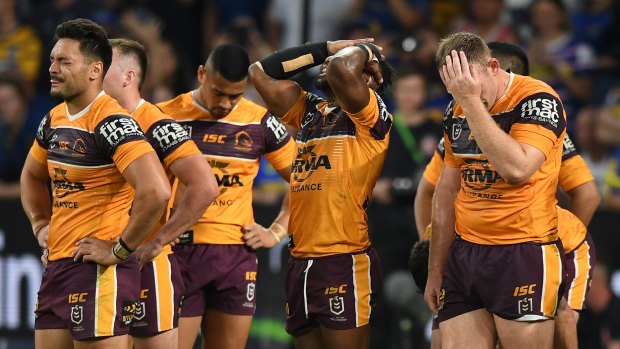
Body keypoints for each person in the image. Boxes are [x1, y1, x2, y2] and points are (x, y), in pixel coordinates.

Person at [20, 18, 171, 348]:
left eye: (64, 62)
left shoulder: (111, 122)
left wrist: (119, 249)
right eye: (52, 60)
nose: (53, 69)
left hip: (99, 274)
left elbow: (157, 191)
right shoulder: (54, 118)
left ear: (94, 70)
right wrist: (41, 225)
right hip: (58, 267)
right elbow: (31, 176)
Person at [249, 38, 396, 348]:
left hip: (342, 259)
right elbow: (260, 72)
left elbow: (344, 67)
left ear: (368, 79)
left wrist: (366, 50)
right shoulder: (310, 112)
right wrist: (325, 48)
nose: (331, 62)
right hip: (300, 261)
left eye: (342, 59)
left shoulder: (369, 115)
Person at [425, 32, 567, 348]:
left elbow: (517, 169)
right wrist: (435, 270)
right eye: (454, 89)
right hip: (465, 254)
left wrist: (471, 102)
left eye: (470, 86)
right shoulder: (457, 107)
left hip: (523, 252)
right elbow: (446, 191)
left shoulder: (538, 99)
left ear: (492, 66)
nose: (462, 96)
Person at [157, 43, 295, 349]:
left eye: (235, 95)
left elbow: (306, 179)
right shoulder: (164, 117)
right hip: (179, 254)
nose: (226, 103)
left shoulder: (259, 122)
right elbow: (138, 184)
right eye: (218, 92)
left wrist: (277, 231)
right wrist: (160, 228)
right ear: (201, 74)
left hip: (236, 256)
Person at [100, 38, 219, 349]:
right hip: (102, 259)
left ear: (128, 76)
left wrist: (160, 239)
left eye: (104, 65)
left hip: (143, 265)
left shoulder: (156, 123)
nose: (94, 71)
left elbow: (205, 186)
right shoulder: (93, 120)